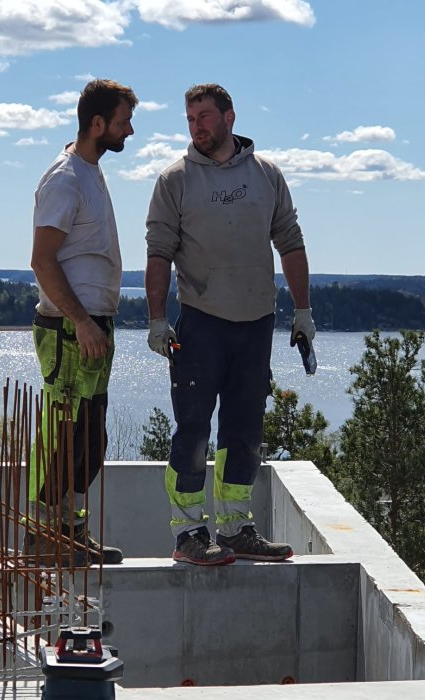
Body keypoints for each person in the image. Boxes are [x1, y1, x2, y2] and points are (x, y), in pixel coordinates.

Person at [144, 83, 315, 566]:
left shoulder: (266, 175)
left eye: (204, 116)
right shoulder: (174, 180)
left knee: (244, 430)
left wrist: (302, 310)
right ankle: (189, 534)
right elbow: (158, 253)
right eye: (190, 119)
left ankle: (237, 528)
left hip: (256, 322)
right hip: (201, 323)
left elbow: (291, 242)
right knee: (193, 430)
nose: (196, 126)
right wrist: (157, 319)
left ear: (229, 117)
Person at [27, 78, 138, 565]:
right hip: (70, 329)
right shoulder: (65, 178)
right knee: (63, 434)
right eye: (122, 121)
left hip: (92, 325)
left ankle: (69, 531)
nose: (128, 131)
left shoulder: (90, 171)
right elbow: (42, 261)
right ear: (97, 123)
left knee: (90, 439)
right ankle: (42, 537)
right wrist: (82, 322)